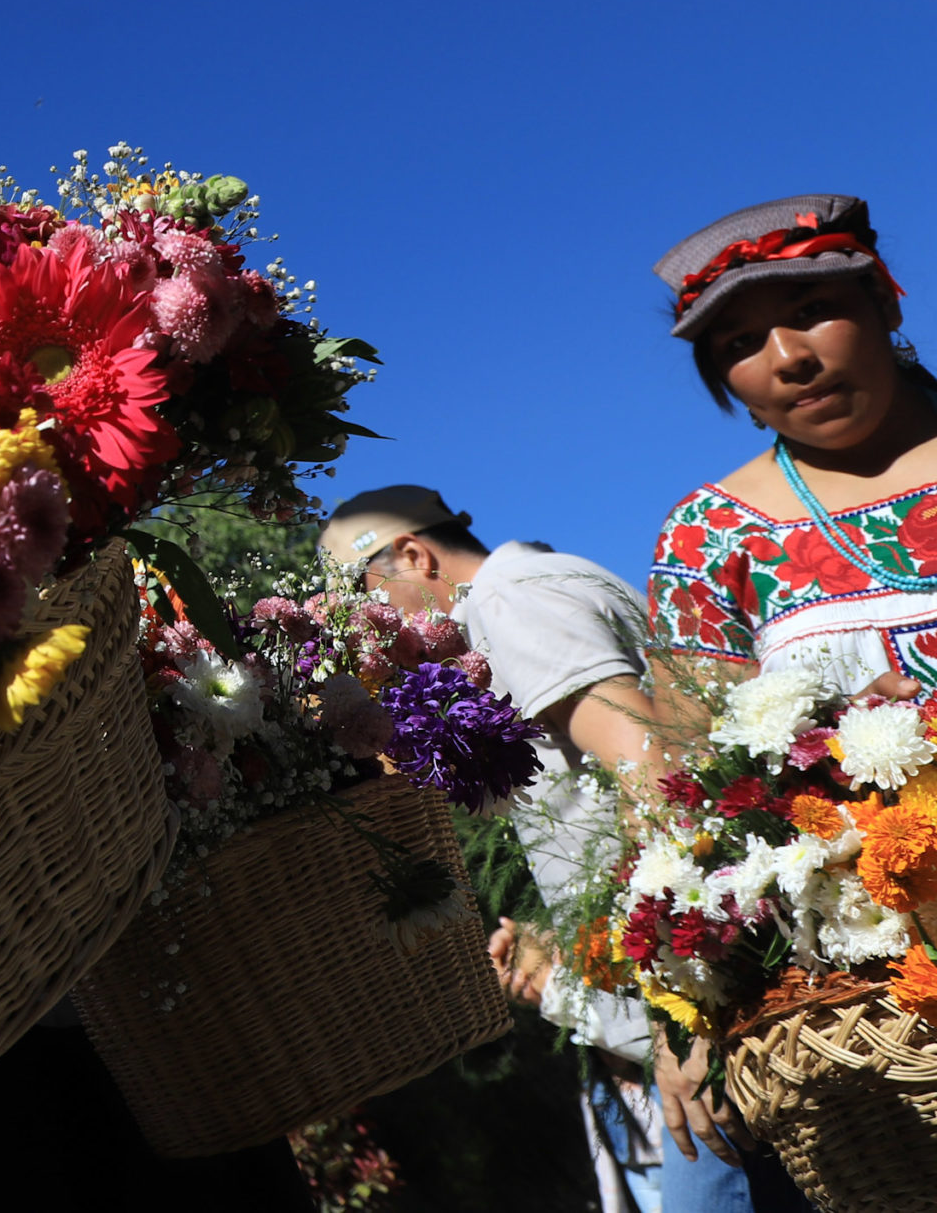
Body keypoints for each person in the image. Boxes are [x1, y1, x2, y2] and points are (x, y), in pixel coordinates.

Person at [323, 486, 806, 1213]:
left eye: (361, 601)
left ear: (415, 556)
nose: (366, 632)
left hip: (708, 1028)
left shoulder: (511, 599)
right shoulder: (548, 585)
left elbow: (658, 783)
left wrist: (687, 1022)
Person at [649, 193, 937, 701]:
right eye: (741, 343)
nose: (789, 358)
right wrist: (830, 745)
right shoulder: (707, 537)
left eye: (812, 310)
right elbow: (692, 767)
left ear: (884, 300)